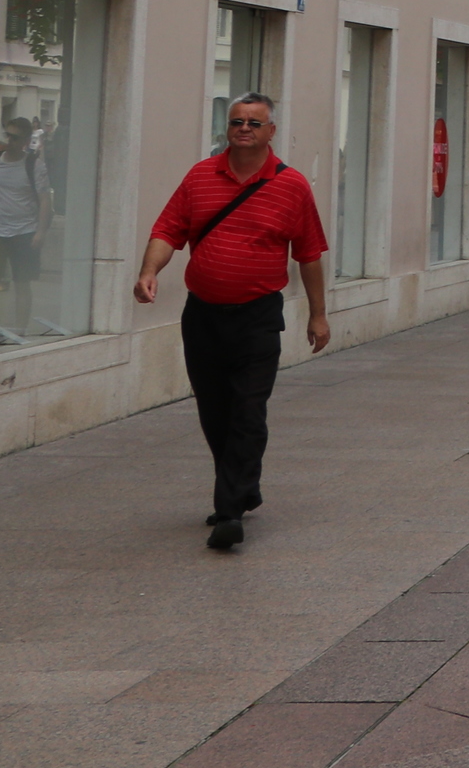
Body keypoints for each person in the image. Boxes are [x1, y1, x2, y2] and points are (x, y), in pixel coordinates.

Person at [134, 95, 329, 551]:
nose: (244, 128)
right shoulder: (201, 176)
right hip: (201, 314)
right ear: (228, 127)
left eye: (254, 123)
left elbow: (309, 255)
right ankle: (243, 487)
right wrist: (149, 271)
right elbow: (167, 230)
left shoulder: (292, 186)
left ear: (271, 131)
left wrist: (318, 315)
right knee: (214, 410)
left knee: (247, 410)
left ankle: (228, 512)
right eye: (237, 121)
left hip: (258, 315)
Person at [0, 114, 54, 343]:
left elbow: (44, 200)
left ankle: (19, 331)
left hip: (24, 231)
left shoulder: (33, 164)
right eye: (8, 135)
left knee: (22, 283)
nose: (10, 140)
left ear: (24, 140)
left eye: (15, 137)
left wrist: (40, 232)